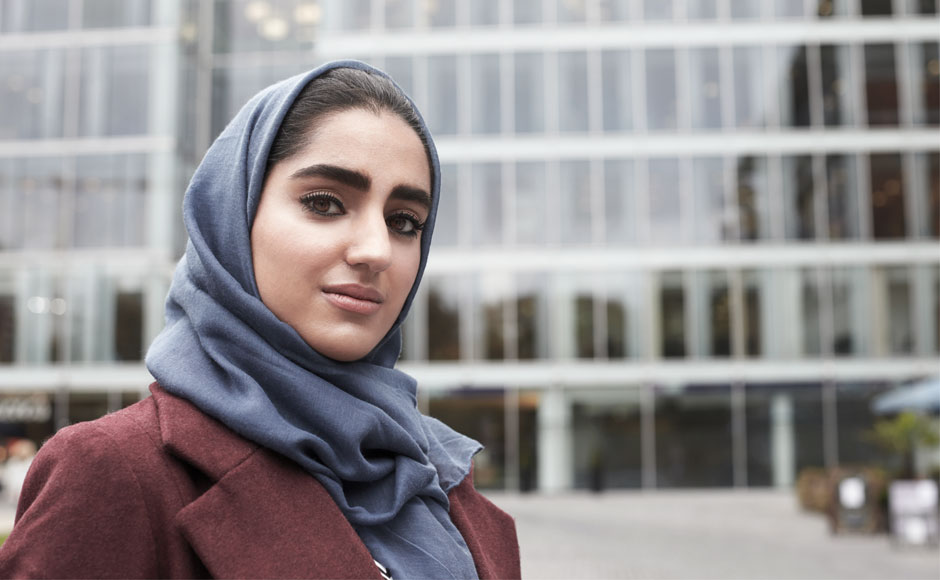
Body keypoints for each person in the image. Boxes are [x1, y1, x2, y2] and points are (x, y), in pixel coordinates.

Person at [0, 61, 520, 579]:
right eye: (325, 203)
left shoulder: (443, 475)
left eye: (404, 221)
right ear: (232, 215)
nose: (376, 250)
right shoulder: (116, 471)